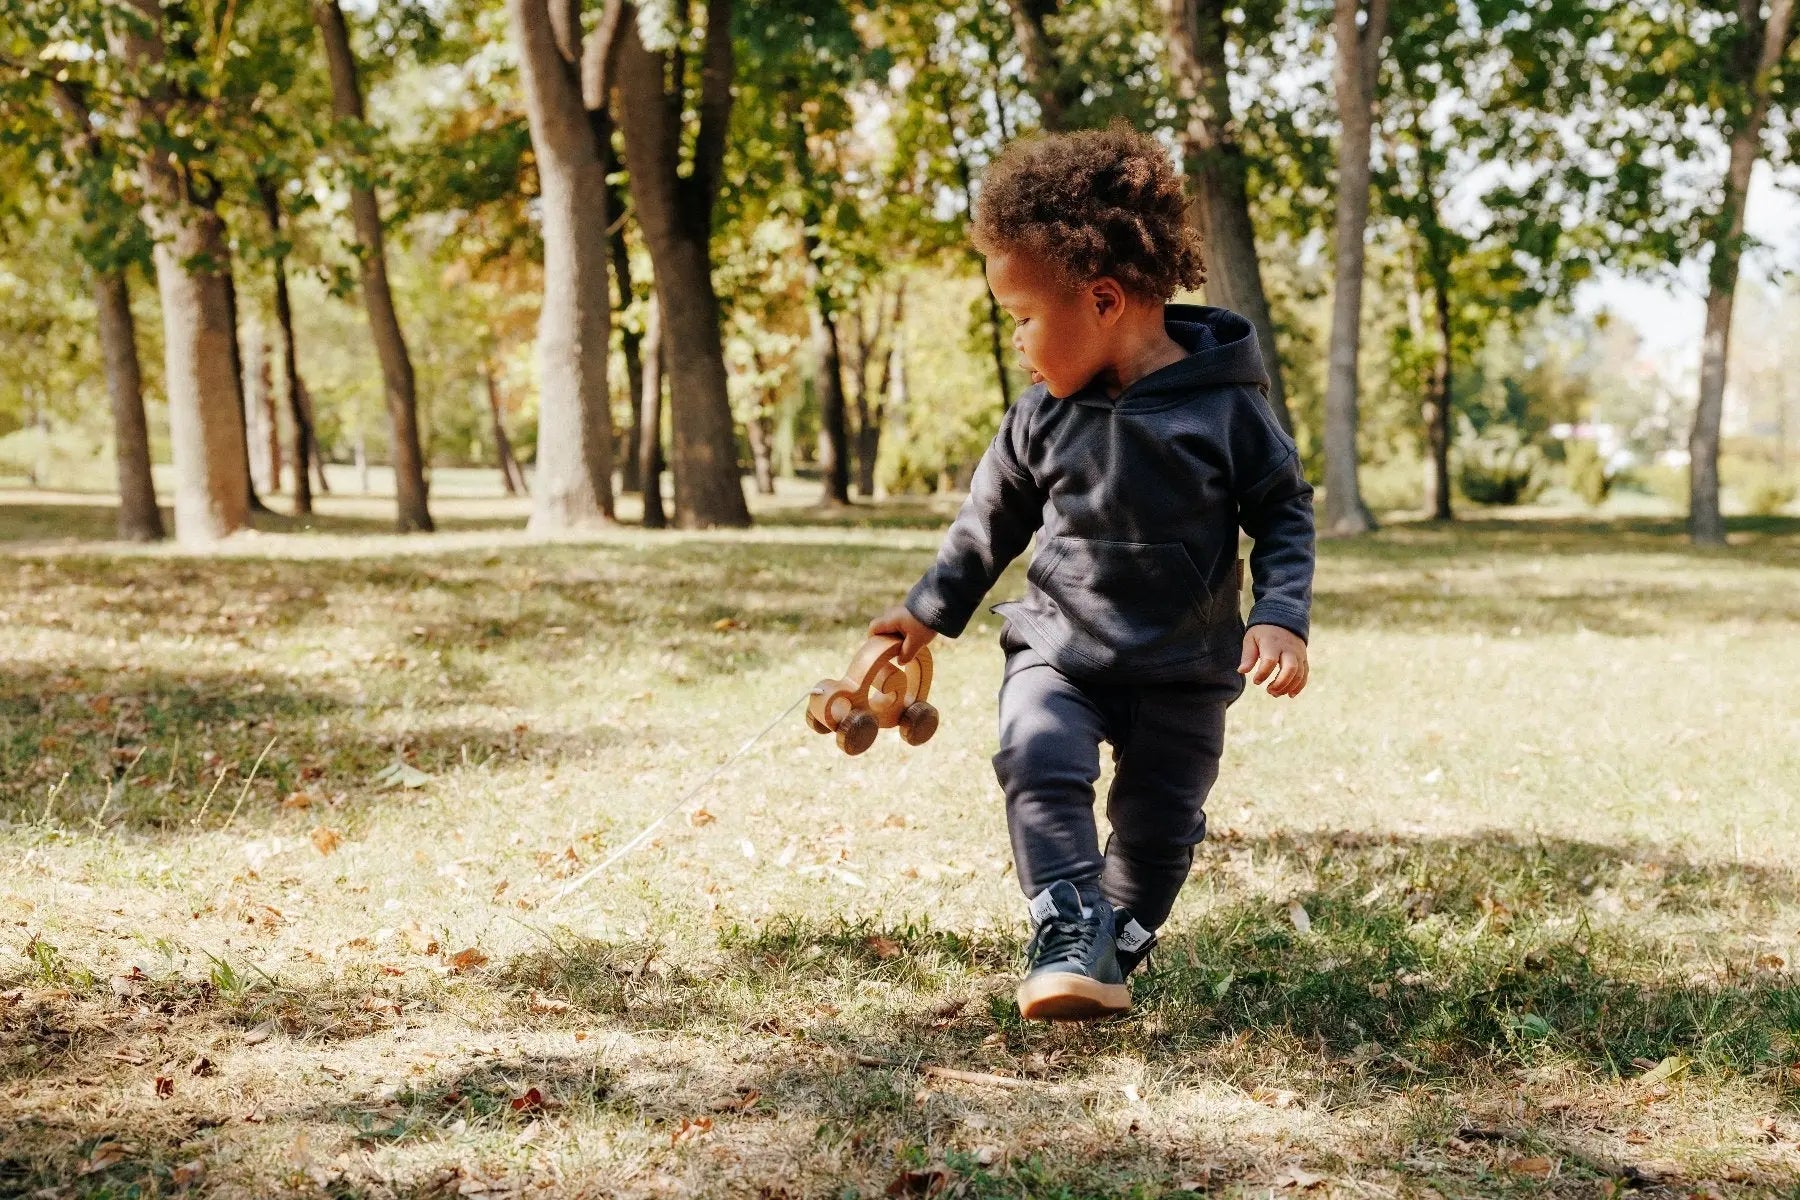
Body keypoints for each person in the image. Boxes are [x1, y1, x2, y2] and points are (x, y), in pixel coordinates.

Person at [868, 124, 1316, 1022]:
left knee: (1157, 834)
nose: (1022, 343)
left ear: (1105, 299)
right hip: (1058, 653)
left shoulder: (1226, 410)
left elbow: (1282, 511)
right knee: (1035, 755)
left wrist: (1279, 615)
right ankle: (1067, 927)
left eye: (1026, 318)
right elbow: (987, 525)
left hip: (1184, 675)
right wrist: (925, 614)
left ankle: (1109, 942)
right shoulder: (1039, 416)